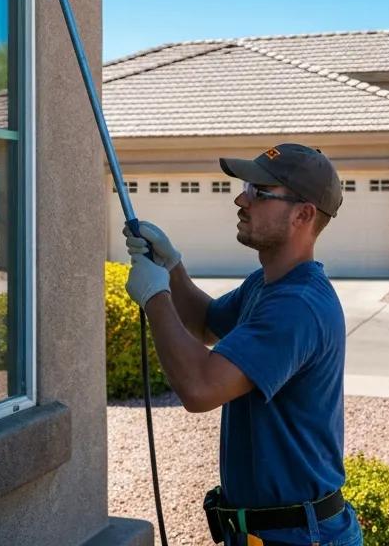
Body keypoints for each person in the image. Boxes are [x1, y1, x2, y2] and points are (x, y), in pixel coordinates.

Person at [124, 143, 362, 546]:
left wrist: (155, 297)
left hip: (300, 537)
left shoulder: (296, 305)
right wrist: (171, 267)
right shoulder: (268, 286)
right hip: (269, 532)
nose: (241, 198)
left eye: (259, 192)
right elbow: (205, 322)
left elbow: (200, 388)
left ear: (303, 214)